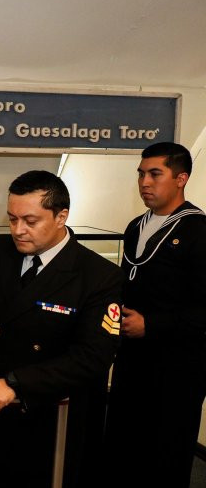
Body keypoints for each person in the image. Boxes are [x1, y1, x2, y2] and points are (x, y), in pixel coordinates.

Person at [0, 170, 123, 488]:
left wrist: (17, 383)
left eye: (30, 220)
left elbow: (92, 357)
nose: (18, 230)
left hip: (47, 420)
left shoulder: (98, 275)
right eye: (12, 219)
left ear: (61, 216)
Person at [104, 142, 206, 487]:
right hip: (132, 360)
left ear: (181, 178)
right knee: (125, 450)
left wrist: (153, 325)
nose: (144, 182)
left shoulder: (198, 231)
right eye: (141, 174)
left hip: (178, 368)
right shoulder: (136, 225)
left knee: (165, 457)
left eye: (155, 174)